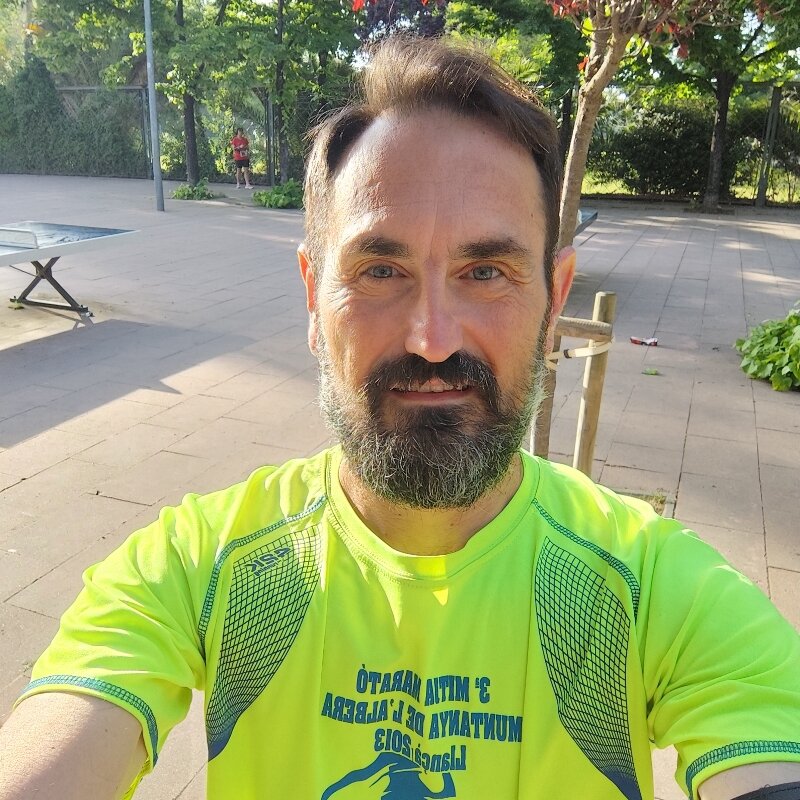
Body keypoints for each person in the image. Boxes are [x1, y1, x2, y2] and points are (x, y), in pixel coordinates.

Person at [1, 37, 799, 800]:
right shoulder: (195, 568)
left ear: (554, 301)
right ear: (313, 297)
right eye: (381, 270)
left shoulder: (658, 590)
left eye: (486, 271)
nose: (433, 338)